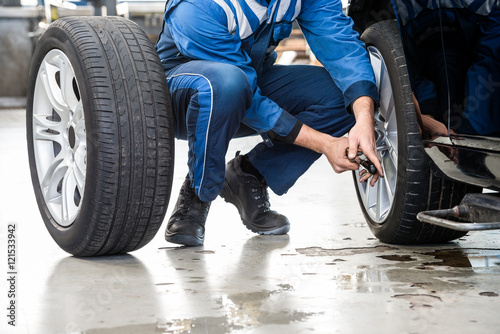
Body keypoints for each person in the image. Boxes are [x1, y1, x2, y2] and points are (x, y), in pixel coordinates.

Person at [155, 0, 384, 247]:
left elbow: (343, 49)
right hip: (181, 96)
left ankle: (249, 174)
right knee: (227, 82)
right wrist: (323, 143)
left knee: (347, 97)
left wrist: (363, 117)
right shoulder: (199, 6)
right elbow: (246, 96)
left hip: (247, 81)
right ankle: (197, 195)